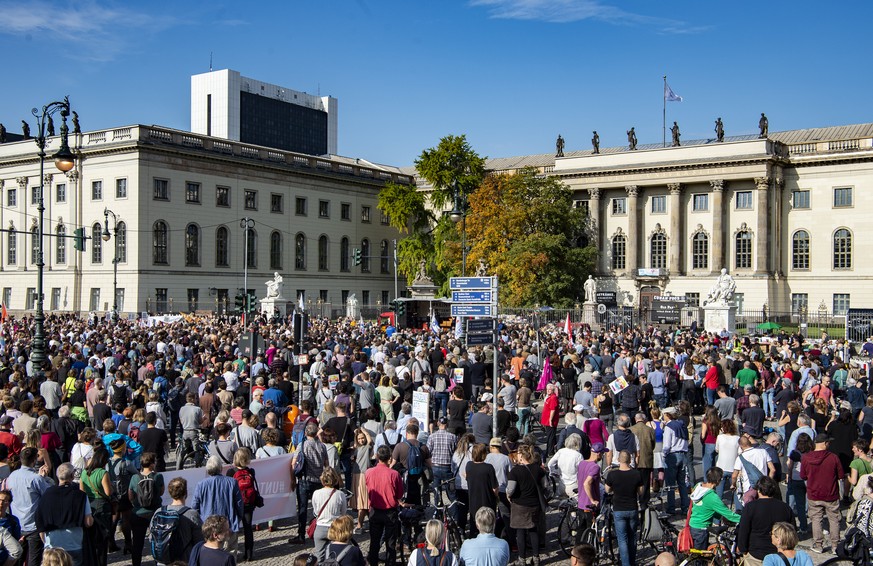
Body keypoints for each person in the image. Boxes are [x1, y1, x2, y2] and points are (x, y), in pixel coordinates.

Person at [35, 463, 94, 565]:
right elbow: (88, 522)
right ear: (72, 476)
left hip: (52, 544)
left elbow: (39, 520)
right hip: (74, 543)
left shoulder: (46, 495)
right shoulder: (81, 496)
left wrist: (45, 541)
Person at [191, 456, 243, 560]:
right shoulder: (232, 482)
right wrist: (239, 518)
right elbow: (239, 504)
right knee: (230, 554)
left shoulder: (201, 485)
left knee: (210, 554)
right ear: (220, 468)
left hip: (208, 526)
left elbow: (194, 507)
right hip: (229, 524)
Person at [799, 433, 844, 553]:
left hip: (814, 494)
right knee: (834, 519)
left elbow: (803, 475)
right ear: (824, 443)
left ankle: (818, 545)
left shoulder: (806, 458)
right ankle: (835, 546)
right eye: (828, 442)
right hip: (831, 493)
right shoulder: (833, 457)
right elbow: (840, 475)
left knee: (816, 519)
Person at [737, 476, 795, 566]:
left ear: (758, 490)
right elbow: (792, 530)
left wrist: (743, 549)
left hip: (756, 553)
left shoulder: (750, 507)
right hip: (778, 553)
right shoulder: (785, 507)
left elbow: (744, 530)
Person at [8, 446, 51, 565]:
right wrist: (44, 477)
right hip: (33, 525)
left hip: (18, 524)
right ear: (34, 461)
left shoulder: (12, 476)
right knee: (34, 560)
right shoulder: (36, 479)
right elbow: (48, 495)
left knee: (18, 559)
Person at [365, 445, 404, 566]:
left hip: (375, 510)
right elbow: (399, 494)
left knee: (374, 542)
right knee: (391, 543)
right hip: (390, 511)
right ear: (390, 458)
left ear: (377, 457)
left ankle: (373, 563)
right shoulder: (394, 474)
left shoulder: (368, 472)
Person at [507, 444, 545, 566]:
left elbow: (511, 489)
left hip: (520, 505)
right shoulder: (538, 469)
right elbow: (546, 486)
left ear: (521, 456)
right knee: (533, 530)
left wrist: (508, 495)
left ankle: (522, 559)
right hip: (534, 504)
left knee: (521, 532)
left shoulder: (515, 471)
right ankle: (536, 558)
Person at [605, 450, 643, 566]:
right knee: (632, 538)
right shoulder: (636, 474)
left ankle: (626, 564)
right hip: (632, 509)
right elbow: (640, 492)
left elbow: (607, 490)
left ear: (618, 460)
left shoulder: (612, 474)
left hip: (618, 510)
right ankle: (632, 562)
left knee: (622, 540)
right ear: (630, 460)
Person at [688, 467, 741, 550]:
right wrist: (745, 519)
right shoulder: (712, 497)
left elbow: (705, 507)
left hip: (692, 525)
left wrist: (720, 517)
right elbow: (729, 515)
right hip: (702, 529)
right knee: (700, 558)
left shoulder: (698, 486)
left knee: (695, 552)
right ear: (718, 480)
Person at [155, 477, 203, 563]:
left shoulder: (159, 512)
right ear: (186, 493)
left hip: (163, 560)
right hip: (184, 560)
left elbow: (153, 537)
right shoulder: (192, 514)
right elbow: (199, 541)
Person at [79, 443, 113, 566]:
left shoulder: (84, 473)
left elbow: (81, 491)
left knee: (91, 538)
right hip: (102, 505)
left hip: (89, 505)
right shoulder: (103, 473)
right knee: (102, 538)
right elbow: (108, 492)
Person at [128, 452, 164, 566]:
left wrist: (135, 503)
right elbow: (162, 492)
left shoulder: (135, 477)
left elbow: (130, 495)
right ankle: (158, 562)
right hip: (155, 512)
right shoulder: (158, 476)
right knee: (157, 540)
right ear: (152, 464)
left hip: (138, 513)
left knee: (137, 543)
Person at [228, 448, 260, 561]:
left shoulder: (231, 472)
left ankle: (232, 554)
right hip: (248, 504)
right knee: (248, 529)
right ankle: (249, 554)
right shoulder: (251, 471)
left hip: (236, 504)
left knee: (233, 529)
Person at [311, 468, 347, 562]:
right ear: (335, 479)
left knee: (319, 558)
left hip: (320, 528)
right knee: (336, 557)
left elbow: (315, 511)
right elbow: (343, 513)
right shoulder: (340, 494)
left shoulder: (316, 493)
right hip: (335, 528)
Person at [464, 443, 498, 537]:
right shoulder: (488, 468)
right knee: (488, 524)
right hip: (487, 500)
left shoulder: (469, 465)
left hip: (473, 500)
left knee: (474, 525)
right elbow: (495, 488)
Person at [661, 407, 690, 515]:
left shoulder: (669, 427)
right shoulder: (682, 425)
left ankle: (671, 508)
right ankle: (685, 507)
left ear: (668, 415)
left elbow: (667, 445)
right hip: (683, 454)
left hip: (672, 455)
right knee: (682, 483)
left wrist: (664, 455)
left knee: (670, 484)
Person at [351, 428, 372, 533]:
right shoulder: (356, 449)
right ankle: (370, 522)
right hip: (356, 474)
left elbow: (369, 440)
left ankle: (360, 524)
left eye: (362, 438)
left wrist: (363, 429)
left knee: (362, 502)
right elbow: (355, 444)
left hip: (364, 475)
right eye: (359, 439)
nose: (361, 440)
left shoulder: (367, 447)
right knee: (363, 501)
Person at [541, 384, 559, 456]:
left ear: (553, 390)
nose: (548, 390)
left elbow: (553, 410)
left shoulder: (553, 398)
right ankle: (553, 449)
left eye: (549, 389)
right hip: (546, 420)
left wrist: (550, 420)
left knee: (550, 437)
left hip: (550, 421)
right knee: (551, 436)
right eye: (547, 389)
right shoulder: (549, 397)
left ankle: (550, 451)